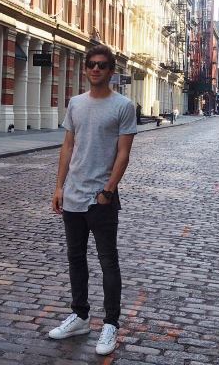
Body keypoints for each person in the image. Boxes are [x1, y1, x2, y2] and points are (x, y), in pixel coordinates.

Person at [50, 45, 137, 356]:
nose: (96, 69)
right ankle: (80, 316)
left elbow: (124, 154)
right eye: (91, 64)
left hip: (101, 199)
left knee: (107, 261)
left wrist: (108, 191)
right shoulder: (75, 103)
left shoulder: (123, 106)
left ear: (111, 70)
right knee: (75, 258)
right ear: (85, 69)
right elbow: (68, 146)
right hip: (73, 195)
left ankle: (110, 324)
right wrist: (59, 187)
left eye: (102, 65)